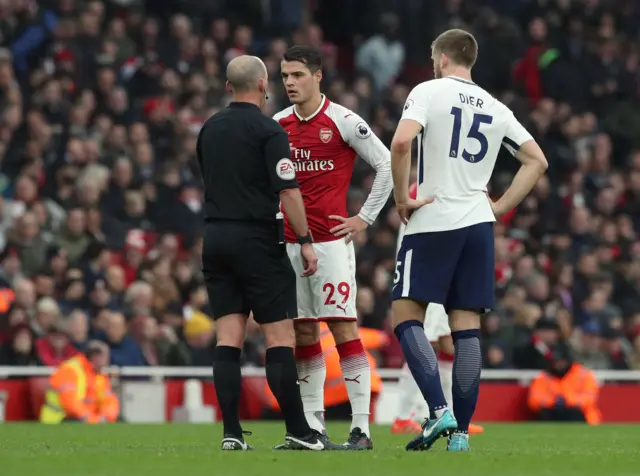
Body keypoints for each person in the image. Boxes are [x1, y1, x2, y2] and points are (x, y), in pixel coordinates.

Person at [390, 29, 548, 452]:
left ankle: (438, 409)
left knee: (405, 316)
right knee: (466, 331)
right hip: (478, 225)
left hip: (433, 217)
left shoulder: (428, 90)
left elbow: (403, 140)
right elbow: (537, 160)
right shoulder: (496, 107)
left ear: (441, 58)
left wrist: (401, 195)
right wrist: (499, 207)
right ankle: (460, 435)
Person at [196, 55, 325, 451]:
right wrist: (305, 240)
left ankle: (232, 434)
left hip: (215, 238)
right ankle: (299, 431)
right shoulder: (269, 131)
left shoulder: (208, 128)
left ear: (228, 85)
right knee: (279, 337)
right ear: (263, 83)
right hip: (256, 239)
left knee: (228, 337)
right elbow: (287, 191)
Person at [273, 45, 393, 449]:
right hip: (289, 244)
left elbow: (388, 165)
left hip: (330, 244)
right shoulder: (278, 125)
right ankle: (313, 428)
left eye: (297, 75)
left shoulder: (343, 121)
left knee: (343, 328)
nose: (289, 82)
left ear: (318, 75)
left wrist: (364, 218)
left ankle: (361, 428)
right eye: (285, 75)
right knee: (304, 334)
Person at [391, 182, 484, 436]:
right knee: (424, 342)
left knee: (446, 345)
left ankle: (452, 416)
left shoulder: (451, 182)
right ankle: (403, 415)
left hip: (447, 271)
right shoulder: (424, 186)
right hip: (426, 270)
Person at [39, 341, 119, 424]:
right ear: (96, 356)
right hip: (58, 420)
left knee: (120, 421)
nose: (107, 361)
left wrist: (105, 417)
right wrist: (92, 420)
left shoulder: (99, 374)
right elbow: (70, 403)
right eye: (105, 357)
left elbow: (109, 400)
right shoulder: (70, 369)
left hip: (84, 419)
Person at [527, 341, 602, 425]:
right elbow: (534, 400)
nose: (559, 364)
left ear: (568, 360)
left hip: (581, 416)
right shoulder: (544, 376)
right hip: (553, 413)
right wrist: (553, 402)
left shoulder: (583, 374)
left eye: (562, 361)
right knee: (545, 414)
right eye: (556, 361)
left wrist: (567, 401)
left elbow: (590, 398)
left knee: (574, 413)